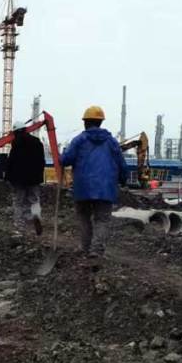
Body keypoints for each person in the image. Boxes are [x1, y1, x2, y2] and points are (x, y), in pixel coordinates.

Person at [60, 105, 128, 261]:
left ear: (85, 122)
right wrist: (123, 179)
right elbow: (121, 163)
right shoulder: (111, 142)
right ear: (100, 122)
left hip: (83, 187)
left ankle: (85, 248)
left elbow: (66, 160)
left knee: (84, 217)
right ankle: (96, 251)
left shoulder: (79, 140)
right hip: (105, 188)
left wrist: (62, 154)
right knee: (102, 219)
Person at [4, 122, 47, 234]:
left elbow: (11, 161)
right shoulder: (37, 142)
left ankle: (20, 227)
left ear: (16, 131)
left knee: (18, 202)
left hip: (18, 179)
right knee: (34, 200)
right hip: (34, 178)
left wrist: (7, 177)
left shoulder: (16, 143)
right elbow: (42, 161)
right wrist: (39, 175)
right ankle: (36, 215)